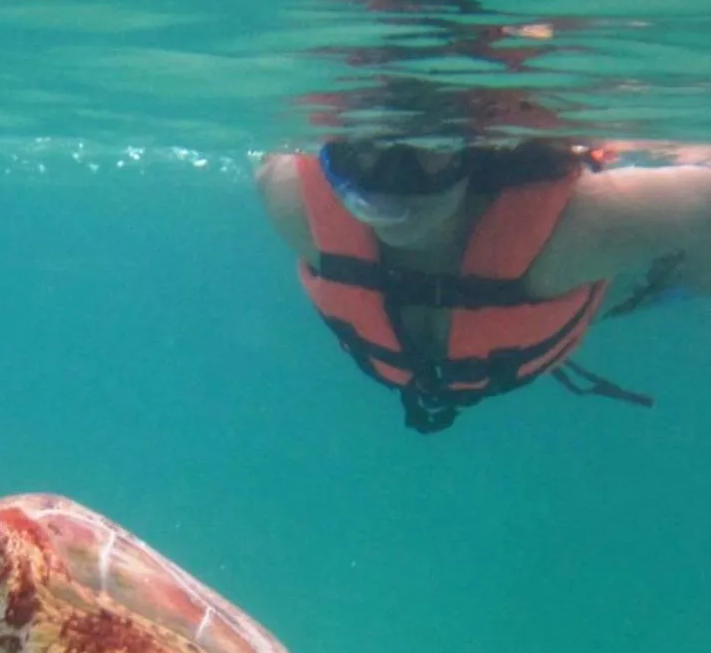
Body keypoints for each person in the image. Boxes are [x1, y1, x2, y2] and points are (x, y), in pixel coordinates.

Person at [257, 135, 711, 434]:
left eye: (428, 144)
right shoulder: (289, 200)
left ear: (476, 151)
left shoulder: (578, 232)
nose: (391, 180)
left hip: (623, 284)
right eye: (363, 143)